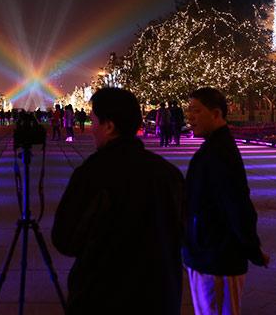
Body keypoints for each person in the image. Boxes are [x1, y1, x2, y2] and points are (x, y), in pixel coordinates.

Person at [52, 87, 184, 314]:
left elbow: (65, 239)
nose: (92, 129)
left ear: (109, 126)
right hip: (159, 296)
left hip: (103, 297)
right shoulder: (168, 174)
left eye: (94, 121)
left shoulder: (92, 174)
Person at [182, 88, 269, 315]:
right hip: (208, 252)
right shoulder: (214, 147)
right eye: (189, 110)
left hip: (217, 257)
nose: (190, 117)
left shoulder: (219, 153)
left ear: (216, 113)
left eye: (196, 111)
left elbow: (237, 204)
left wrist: (253, 249)